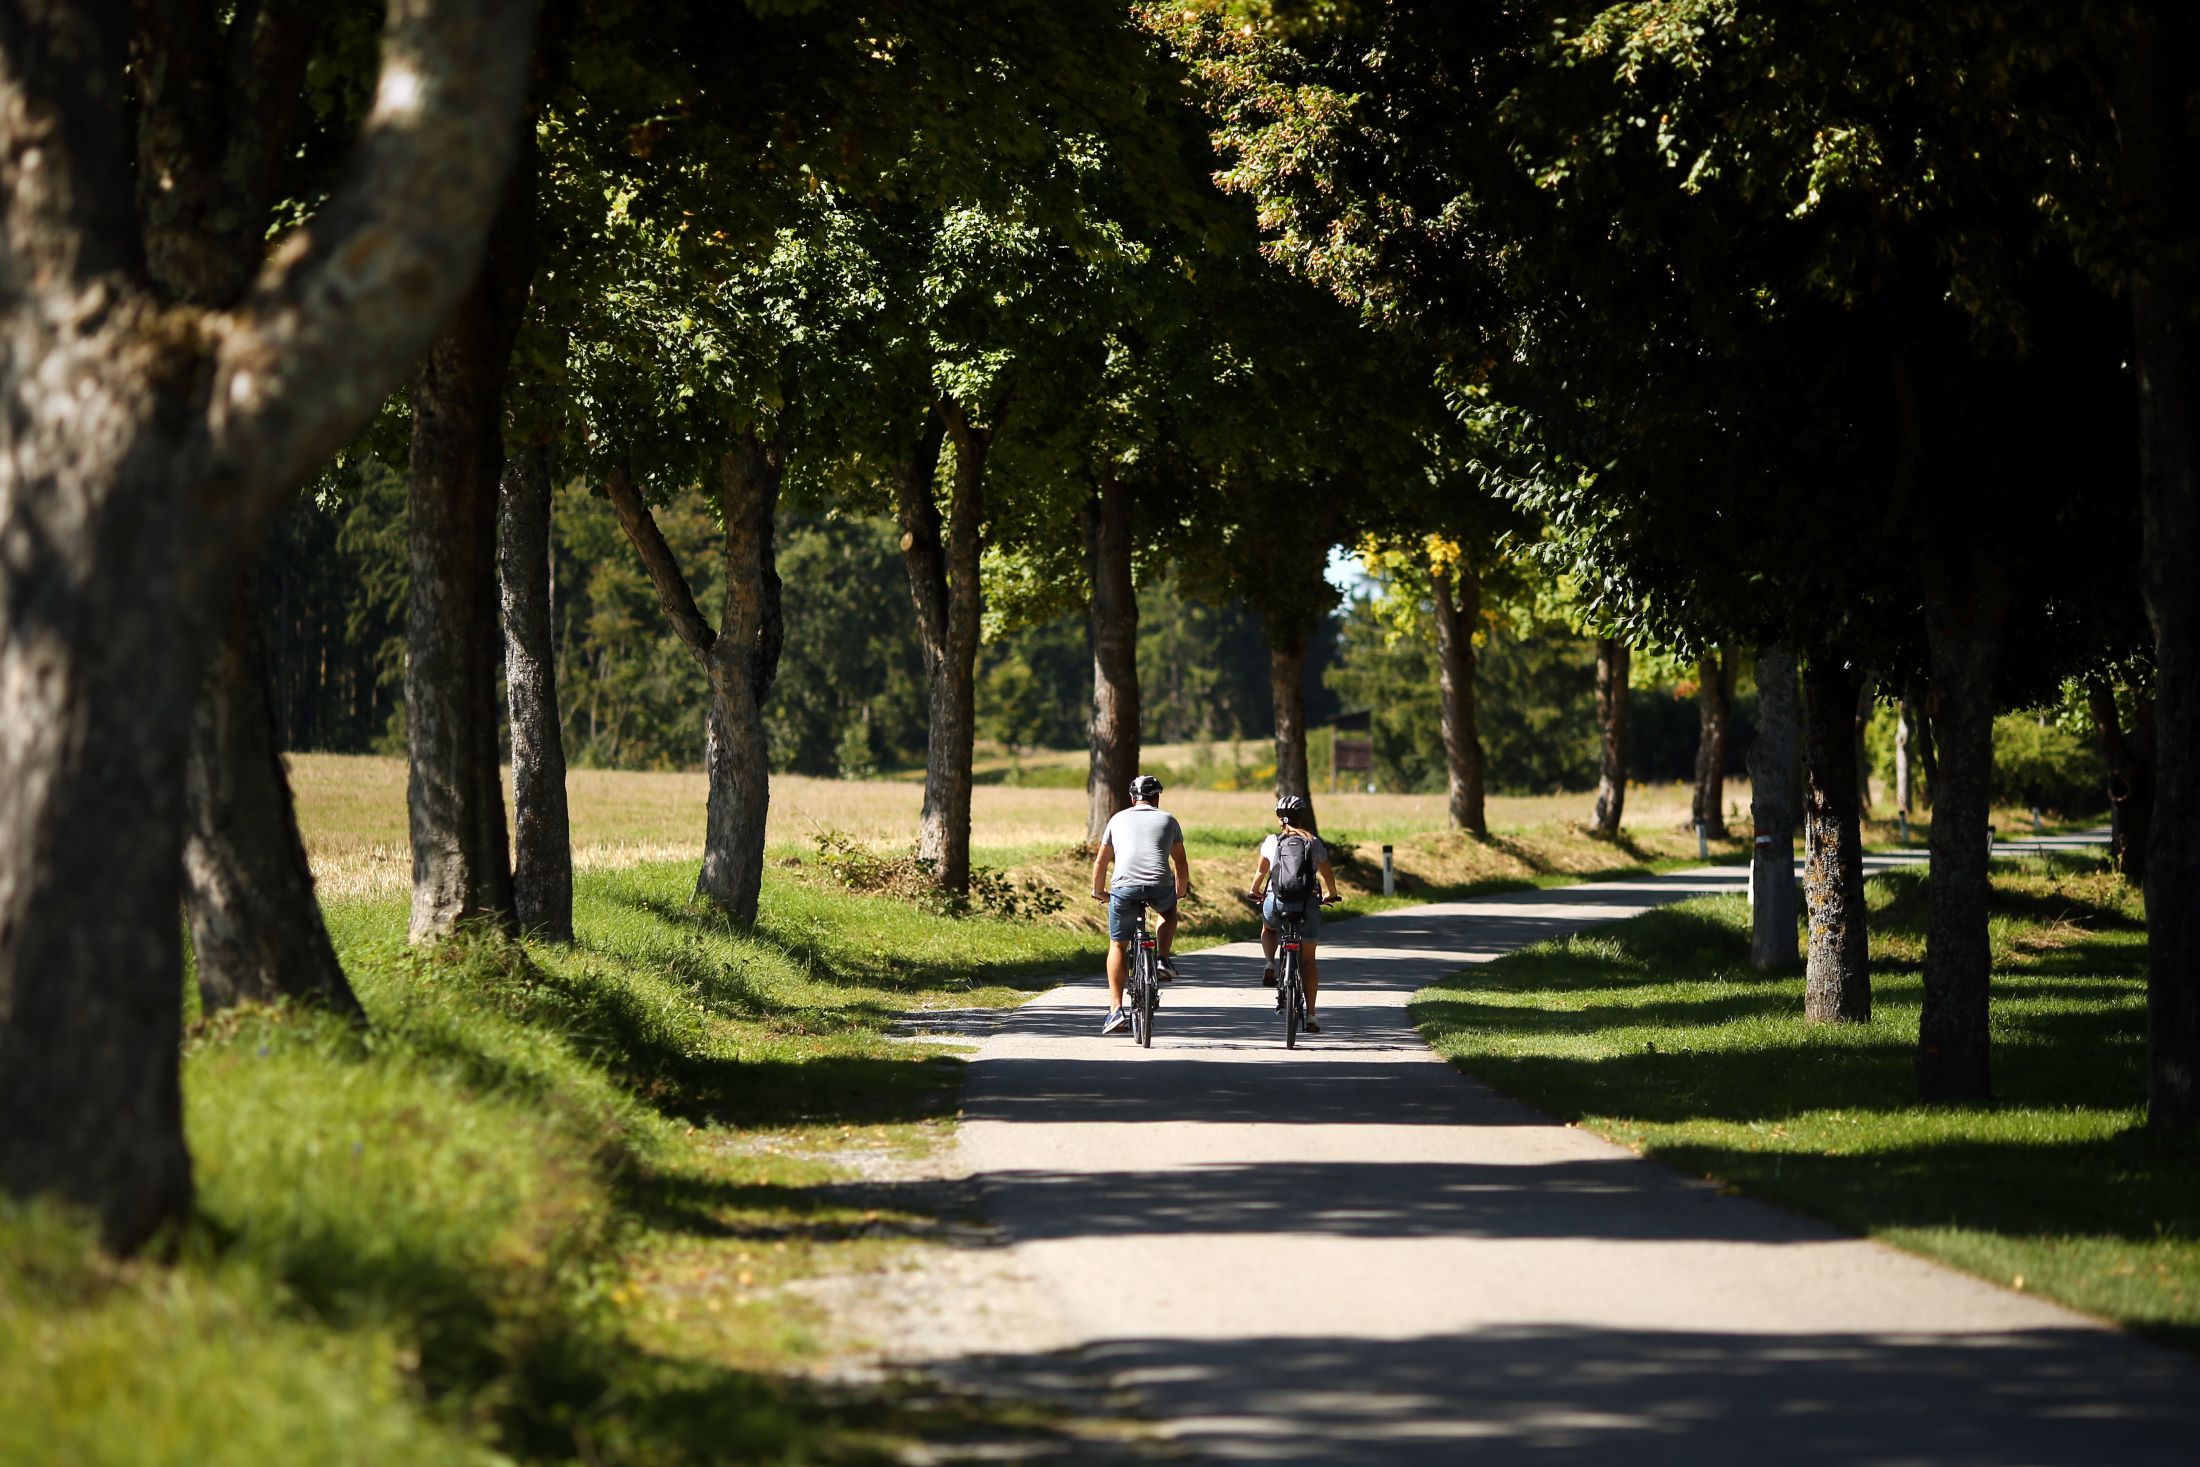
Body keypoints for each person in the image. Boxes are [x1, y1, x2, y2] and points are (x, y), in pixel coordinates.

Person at [1090, 774, 1190, 1034]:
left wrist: (1098, 890)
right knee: (1167, 913)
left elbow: (1101, 862)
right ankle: (1162, 959)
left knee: (1118, 945)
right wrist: (1180, 891)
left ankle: (1115, 1010)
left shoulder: (1117, 819)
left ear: (1132, 798)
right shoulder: (1169, 819)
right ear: (1156, 797)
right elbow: (1180, 861)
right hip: (1159, 885)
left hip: (1124, 886)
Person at [1249, 794, 1340, 1033]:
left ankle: (1270, 962)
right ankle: (1311, 1016)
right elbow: (1328, 875)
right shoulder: (1314, 842)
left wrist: (1253, 891)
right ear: (1303, 817)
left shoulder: (1272, 841)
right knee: (1308, 961)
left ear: (1280, 819)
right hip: (1306, 905)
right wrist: (1331, 894)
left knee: (1268, 928)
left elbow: (1261, 872)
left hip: (1277, 902)